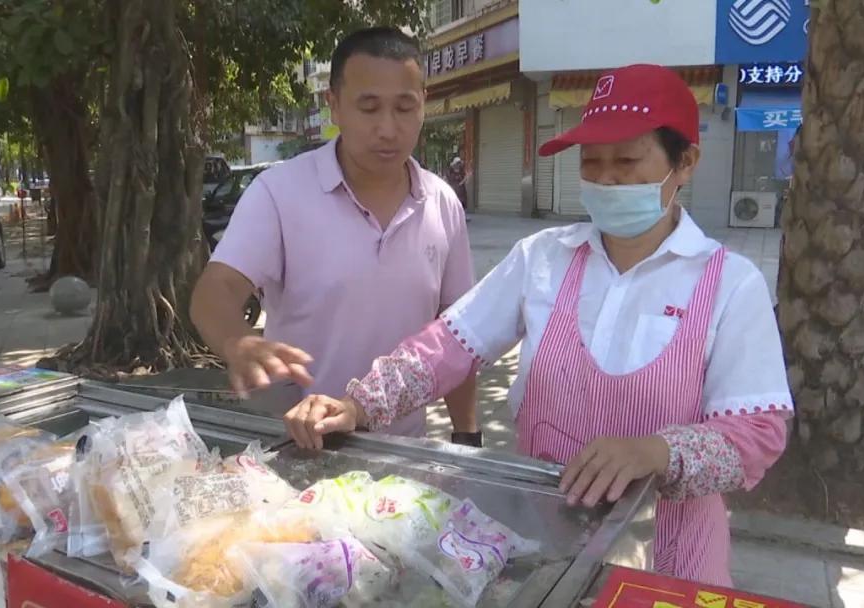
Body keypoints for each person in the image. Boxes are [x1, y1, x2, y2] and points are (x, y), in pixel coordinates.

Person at [283, 64, 792, 585]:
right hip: (549, 552)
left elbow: (756, 435)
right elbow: (449, 346)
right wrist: (359, 404)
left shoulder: (730, 283)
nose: (607, 178)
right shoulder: (544, 258)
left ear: (685, 163)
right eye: (592, 163)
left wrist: (655, 450)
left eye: (627, 161)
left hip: (670, 563)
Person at [191, 27, 479, 441]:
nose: (388, 128)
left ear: (423, 106)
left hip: (404, 453)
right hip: (297, 446)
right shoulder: (279, 193)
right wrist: (238, 343)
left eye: (404, 108)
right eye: (368, 107)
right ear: (334, 106)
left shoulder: (442, 203)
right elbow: (214, 290)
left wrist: (467, 438)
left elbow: (456, 335)